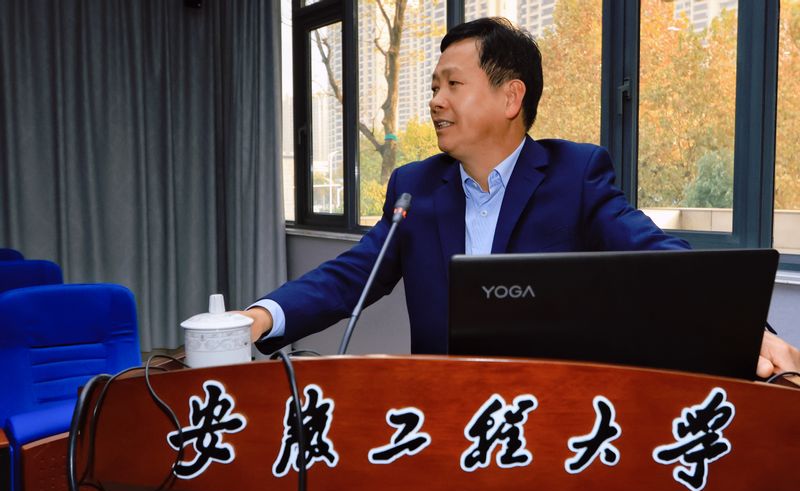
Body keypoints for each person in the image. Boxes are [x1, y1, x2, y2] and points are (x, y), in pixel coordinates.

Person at [239, 17, 800, 379]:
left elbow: (655, 256)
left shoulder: (575, 175)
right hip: (438, 416)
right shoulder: (416, 186)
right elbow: (352, 276)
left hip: (548, 423)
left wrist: (741, 326)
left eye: (452, 84)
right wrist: (259, 318)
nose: (434, 101)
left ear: (511, 98)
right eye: (433, 86)